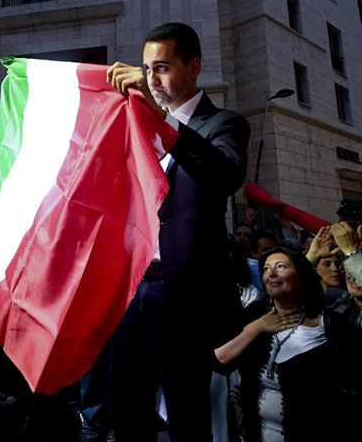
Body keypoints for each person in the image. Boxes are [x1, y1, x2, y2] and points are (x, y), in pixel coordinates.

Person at [106, 22, 250, 441]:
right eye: (148, 69)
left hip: (183, 295)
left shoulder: (224, 123)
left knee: (186, 412)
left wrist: (160, 120)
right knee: (127, 407)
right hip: (132, 289)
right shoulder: (133, 125)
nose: (152, 80)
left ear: (194, 68)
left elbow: (224, 175)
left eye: (163, 68)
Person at [214, 247, 359, 441]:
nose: (271, 273)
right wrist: (255, 329)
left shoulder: (332, 324)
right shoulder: (254, 317)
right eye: (266, 269)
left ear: (301, 276)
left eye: (280, 267)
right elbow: (220, 360)